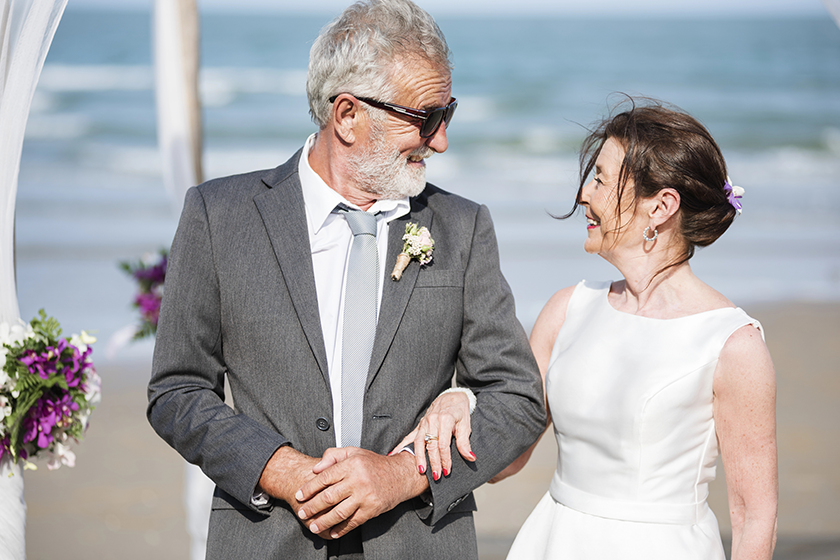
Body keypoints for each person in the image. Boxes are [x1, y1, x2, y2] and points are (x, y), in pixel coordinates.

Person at [145, 1, 546, 559]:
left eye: (447, 113)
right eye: (425, 117)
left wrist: (402, 475)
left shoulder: (462, 226)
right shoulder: (220, 215)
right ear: (348, 115)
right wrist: (282, 471)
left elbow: (518, 398)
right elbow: (177, 391)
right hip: (266, 540)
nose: (441, 140)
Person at [403, 99, 778, 560]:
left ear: (661, 207)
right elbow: (507, 456)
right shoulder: (566, 310)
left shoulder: (734, 344)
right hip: (554, 542)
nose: (584, 193)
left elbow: (753, 517)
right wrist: (460, 397)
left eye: (600, 176)